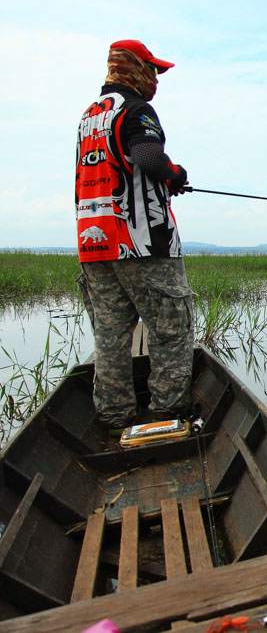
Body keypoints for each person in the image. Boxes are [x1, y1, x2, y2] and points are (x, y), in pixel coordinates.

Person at [75, 39, 195, 431]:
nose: (156, 79)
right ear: (134, 69)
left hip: (96, 245)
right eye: (152, 70)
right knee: (171, 330)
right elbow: (146, 157)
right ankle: (168, 412)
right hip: (143, 244)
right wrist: (174, 174)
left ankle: (114, 416)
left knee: (110, 336)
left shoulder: (89, 116)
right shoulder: (136, 110)